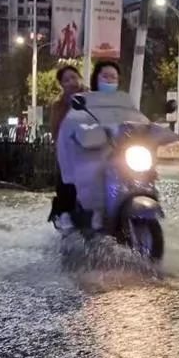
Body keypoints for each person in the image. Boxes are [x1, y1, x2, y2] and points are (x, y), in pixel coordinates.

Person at [56, 60, 145, 230]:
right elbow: (73, 127)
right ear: (96, 78)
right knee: (91, 178)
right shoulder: (85, 102)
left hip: (120, 153)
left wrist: (147, 130)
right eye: (105, 76)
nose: (110, 80)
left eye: (114, 77)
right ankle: (93, 215)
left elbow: (138, 120)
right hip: (92, 153)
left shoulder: (123, 102)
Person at [48, 65, 84, 230]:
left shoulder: (94, 97)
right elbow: (56, 131)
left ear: (80, 78)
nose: (71, 82)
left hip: (95, 148)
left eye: (74, 77)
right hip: (70, 151)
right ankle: (64, 213)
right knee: (66, 178)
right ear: (61, 85)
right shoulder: (59, 105)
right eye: (66, 80)